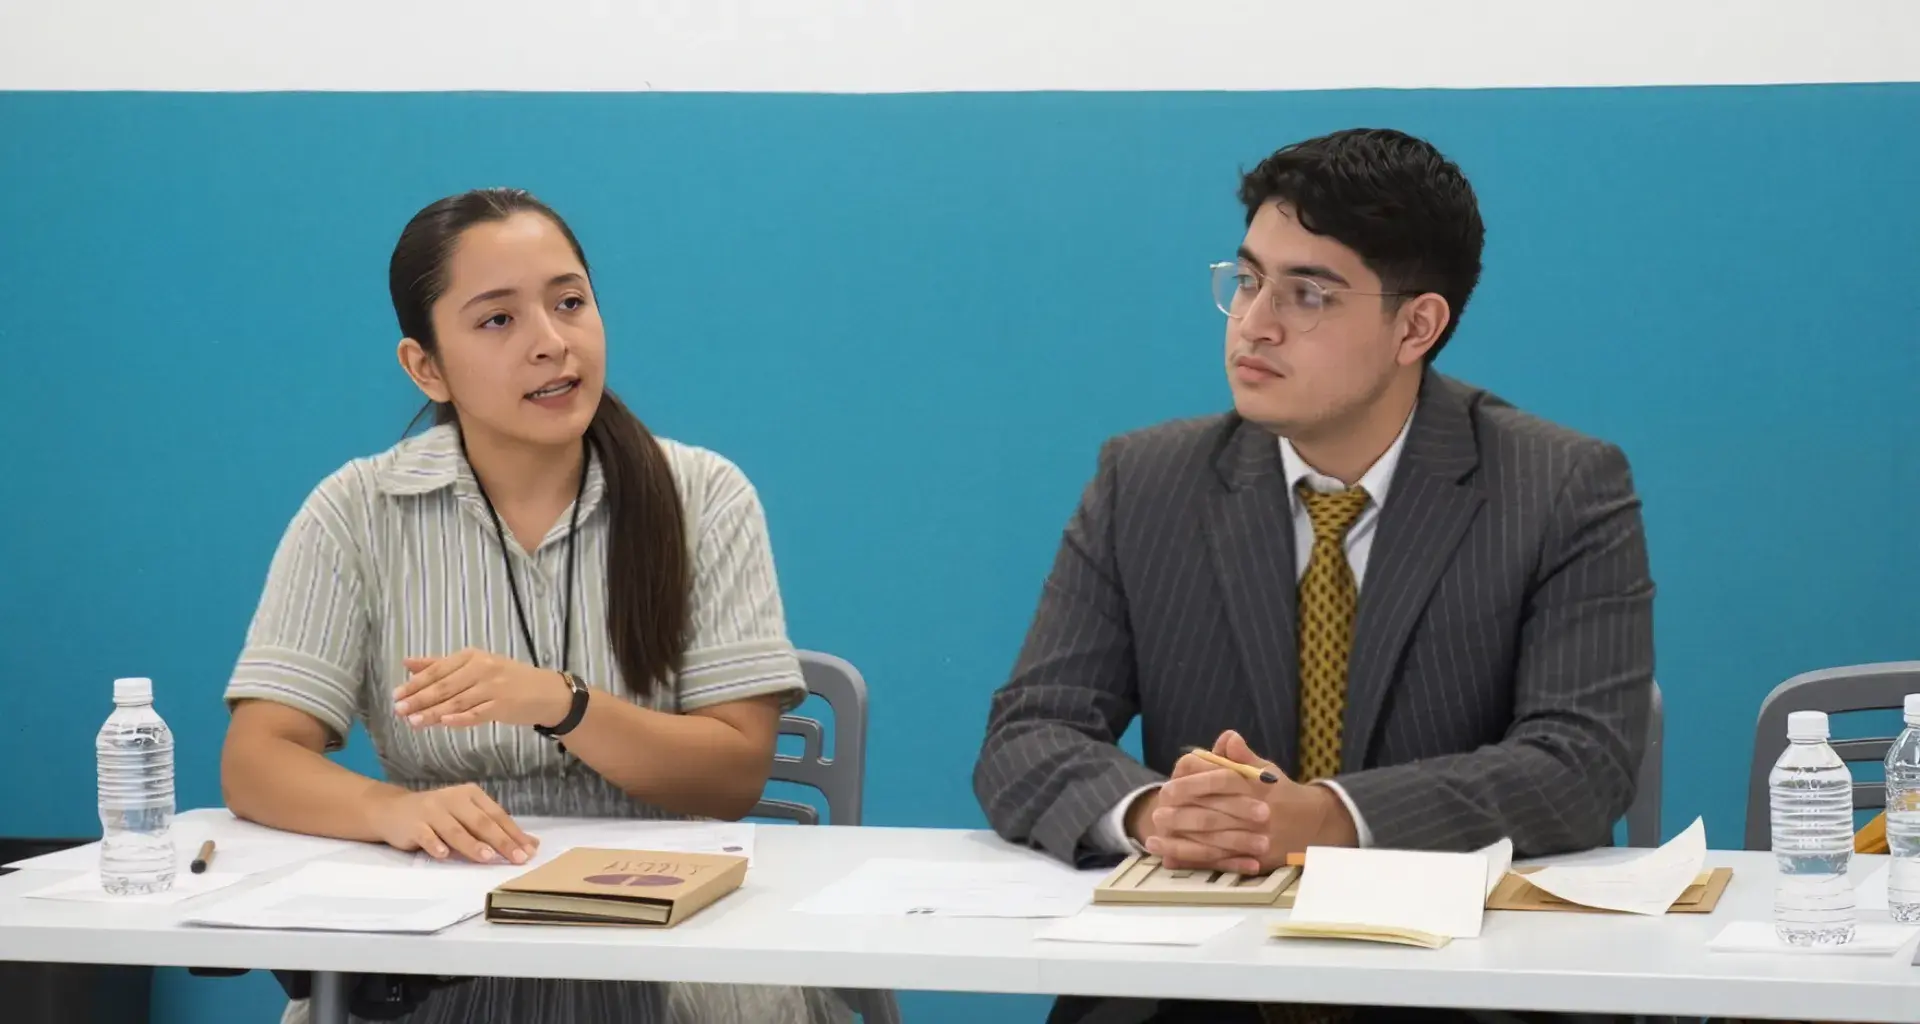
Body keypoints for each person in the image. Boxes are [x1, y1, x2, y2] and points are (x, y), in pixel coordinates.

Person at [973, 128, 1655, 1024]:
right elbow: (1030, 729)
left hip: (1460, 987)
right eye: (1249, 280)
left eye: (1309, 294)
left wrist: (1326, 819)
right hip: (1197, 987)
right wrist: (1152, 815)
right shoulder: (1144, 482)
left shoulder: (1559, 487)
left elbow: (1578, 764)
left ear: (1417, 325)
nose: (1256, 323)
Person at [220, 188, 850, 1024]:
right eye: (497, 321)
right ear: (426, 367)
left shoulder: (703, 496)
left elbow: (733, 774)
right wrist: (391, 811)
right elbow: (257, 757)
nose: (552, 344)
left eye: (569, 303)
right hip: (441, 940)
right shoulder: (358, 510)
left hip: (671, 953)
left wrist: (564, 703)